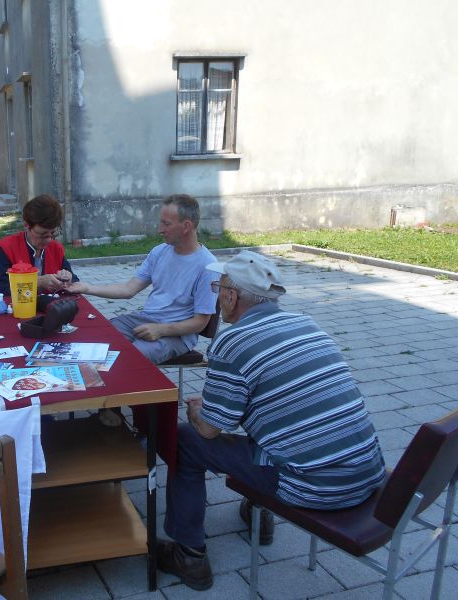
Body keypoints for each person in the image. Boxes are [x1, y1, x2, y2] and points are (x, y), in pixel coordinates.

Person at [159, 250, 386, 591]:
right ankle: (259, 516)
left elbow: (210, 429)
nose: (217, 293)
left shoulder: (232, 341)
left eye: (217, 287)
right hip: (367, 474)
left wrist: (196, 410)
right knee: (277, 424)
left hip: (314, 487)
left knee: (185, 441)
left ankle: (189, 556)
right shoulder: (307, 324)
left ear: (231, 297)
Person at [67, 194, 218, 364]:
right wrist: (87, 288)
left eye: (166, 224)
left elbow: (200, 322)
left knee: (128, 359)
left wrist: (161, 330)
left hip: (177, 335)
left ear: (186, 226)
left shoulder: (208, 266)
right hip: (146, 319)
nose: (160, 229)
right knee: (99, 338)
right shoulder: (159, 251)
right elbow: (128, 290)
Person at [0, 194, 78, 297]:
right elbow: (2, 289)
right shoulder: (5, 248)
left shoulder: (55, 248)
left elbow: (75, 281)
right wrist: (38, 282)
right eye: (42, 235)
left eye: (53, 233)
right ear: (26, 225)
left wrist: (68, 278)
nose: (49, 240)